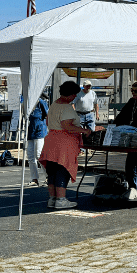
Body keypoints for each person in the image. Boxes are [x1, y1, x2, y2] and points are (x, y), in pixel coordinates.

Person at [39, 81, 91, 209]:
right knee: (63, 170)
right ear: (70, 94)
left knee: (52, 171)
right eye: (74, 94)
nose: (75, 97)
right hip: (63, 143)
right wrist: (84, 130)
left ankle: (53, 198)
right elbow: (66, 125)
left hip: (51, 141)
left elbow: (48, 122)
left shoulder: (54, 104)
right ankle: (61, 199)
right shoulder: (66, 107)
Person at [27, 92, 49, 187]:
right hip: (31, 131)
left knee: (39, 154)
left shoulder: (40, 102)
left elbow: (48, 115)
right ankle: (34, 179)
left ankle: (48, 176)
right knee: (31, 156)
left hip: (40, 130)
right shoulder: (27, 104)